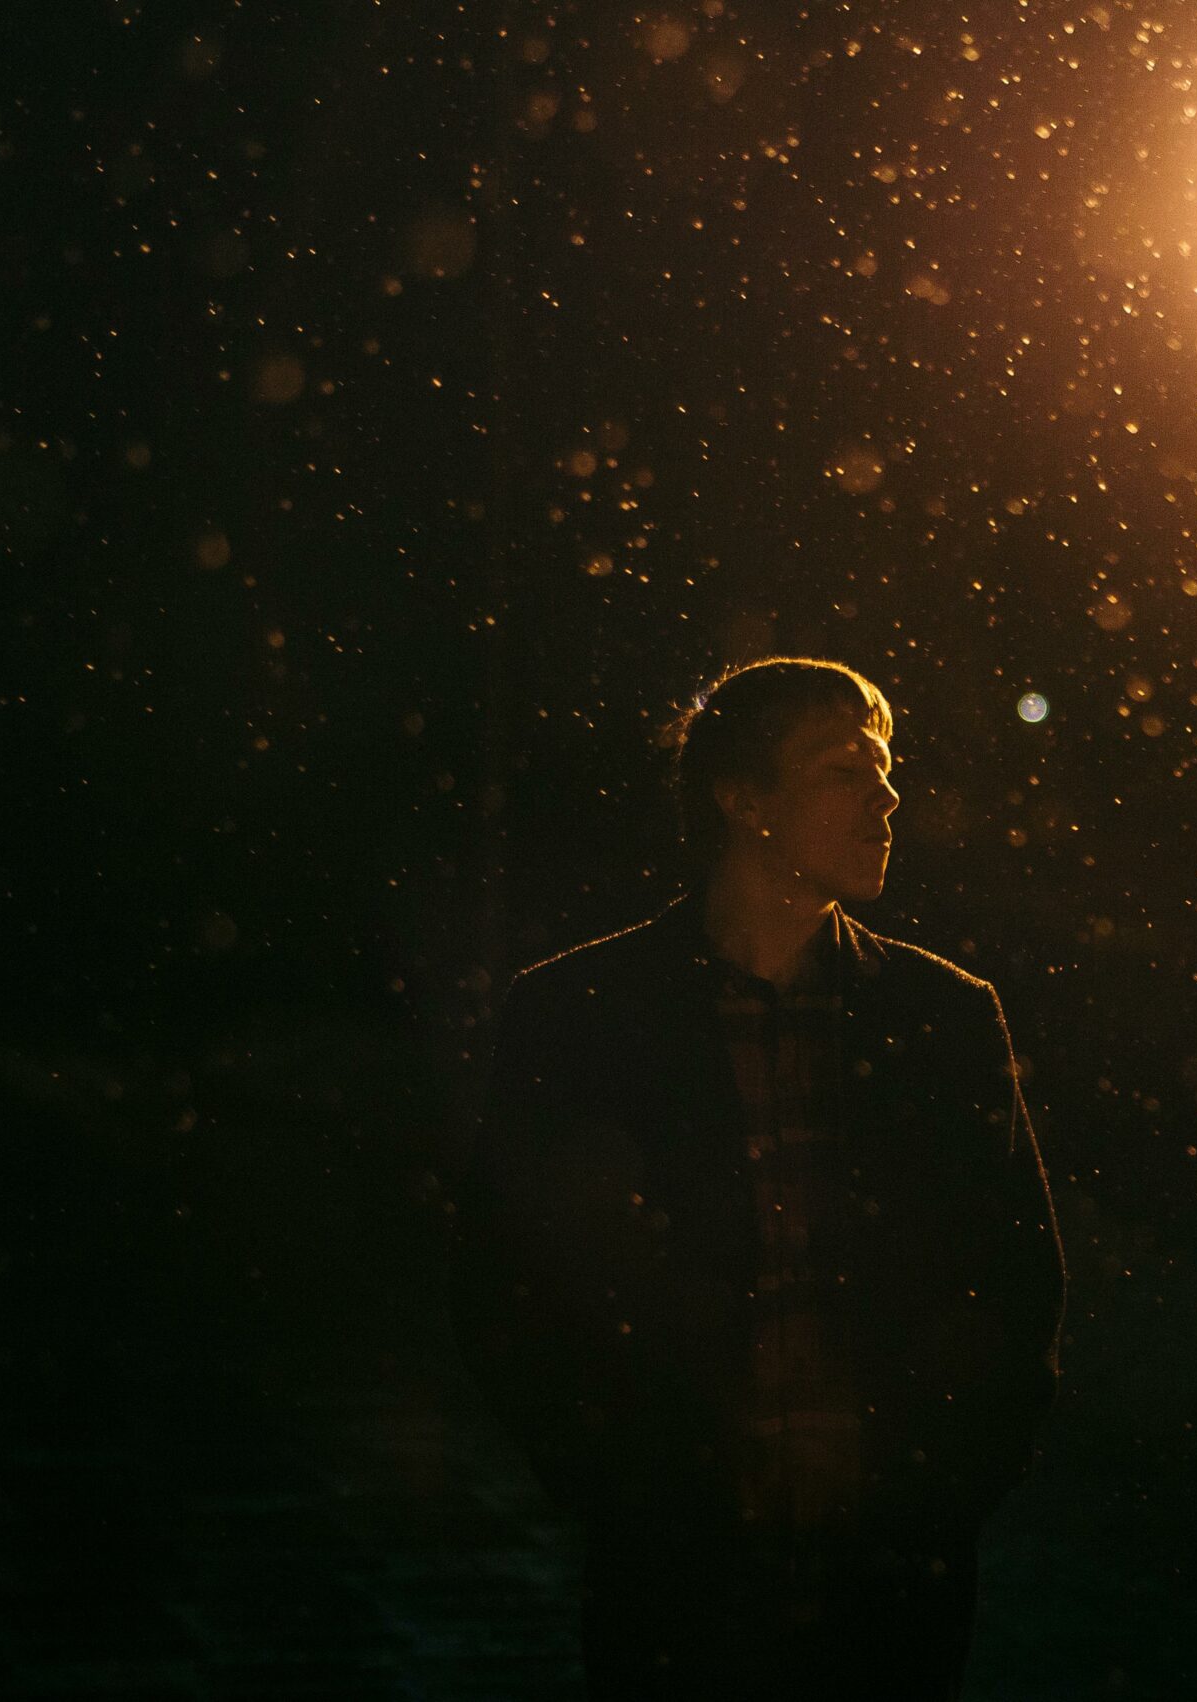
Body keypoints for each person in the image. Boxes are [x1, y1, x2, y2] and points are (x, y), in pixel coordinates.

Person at [447, 657, 1067, 1701]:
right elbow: (509, 1286)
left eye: (887, 767)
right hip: (679, 1570)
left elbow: (1014, 1285)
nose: (888, 796)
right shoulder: (582, 1016)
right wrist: (627, 1487)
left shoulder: (942, 1018)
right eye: (845, 770)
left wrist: (934, 1491)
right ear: (742, 798)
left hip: (891, 1578)